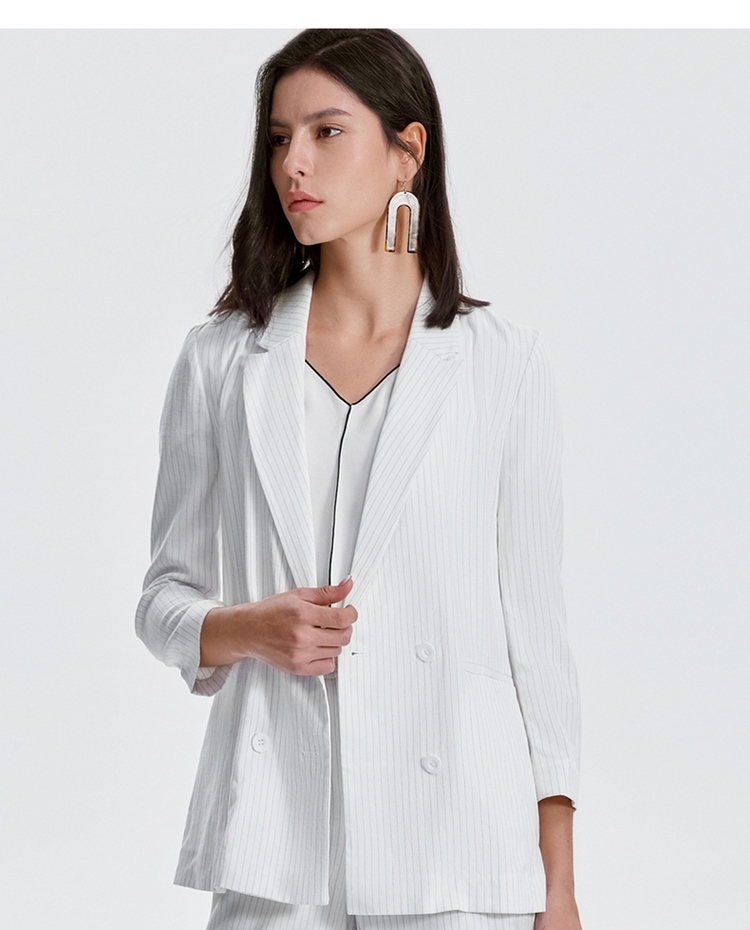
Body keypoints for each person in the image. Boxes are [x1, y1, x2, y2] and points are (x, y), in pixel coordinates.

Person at [135, 28, 583, 930]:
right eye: (278, 139)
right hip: (275, 849)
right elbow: (162, 602)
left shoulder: (503, 365)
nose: (293, 163)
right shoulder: (220, 361)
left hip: (457, 853)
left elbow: (536, 645)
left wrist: (559, 889)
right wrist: (248, 629)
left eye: (326, 132)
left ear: (407, 151)